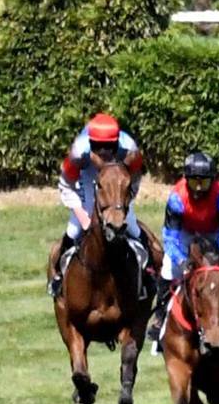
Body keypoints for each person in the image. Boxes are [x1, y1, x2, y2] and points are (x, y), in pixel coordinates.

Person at [146, 151, 219, 344]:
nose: (199, 189)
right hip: (185, 233)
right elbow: (170, 238)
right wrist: (182, 261)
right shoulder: (177, 198)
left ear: (213, 180)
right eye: (194, 182)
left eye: (204, 182)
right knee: (168, 269)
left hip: (214, 233)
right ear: (186, 181)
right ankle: (159, 319)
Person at [49, 112, 149, 298]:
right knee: (74, 231)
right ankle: (58, 277)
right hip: (87, 175)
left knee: (134, 230)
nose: (103, 151)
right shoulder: (79, 152)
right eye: (98, 146)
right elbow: (65, 185)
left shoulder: (130, 151)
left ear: (117, 143)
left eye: (109, 146)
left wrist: (123, 204)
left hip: (118, 182)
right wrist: (83, 216)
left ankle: (148, 274)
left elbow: (134, 180)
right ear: (90, 143)